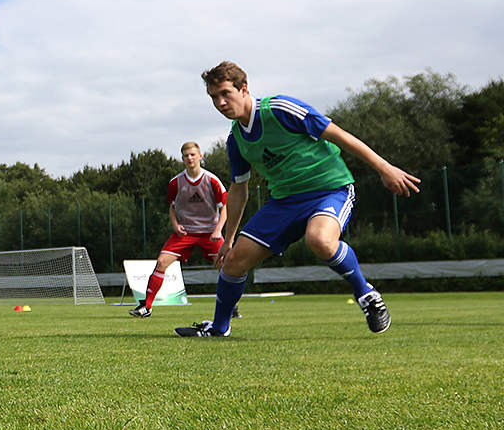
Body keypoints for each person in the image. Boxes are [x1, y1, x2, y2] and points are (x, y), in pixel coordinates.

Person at [176, 61, 420, 338]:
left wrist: (384, 168)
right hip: (284, 202)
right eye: (213, 98)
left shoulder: (280, 109)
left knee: (320, 240)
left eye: (225, 94)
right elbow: (239, 190)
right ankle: (219, 328)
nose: (220, 103)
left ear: (244, 89)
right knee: (233, 262)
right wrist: (227, 240)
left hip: (330, 189)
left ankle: (367, 295)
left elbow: (339, 135)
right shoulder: (236, 141)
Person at [129, 142, 230, 319]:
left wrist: (218, 230)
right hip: (186, 233)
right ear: (182, 158)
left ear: (200, 156)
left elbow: (224, 208)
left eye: (193, 155)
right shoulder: (176, 182)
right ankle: (146, 307)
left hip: (210, 233)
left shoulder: (212, 180)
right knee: (161, 262)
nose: (189, 158)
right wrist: (176, 226)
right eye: (186, 156)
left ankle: (231, 306)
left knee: (226, 267)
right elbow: (172, 207)